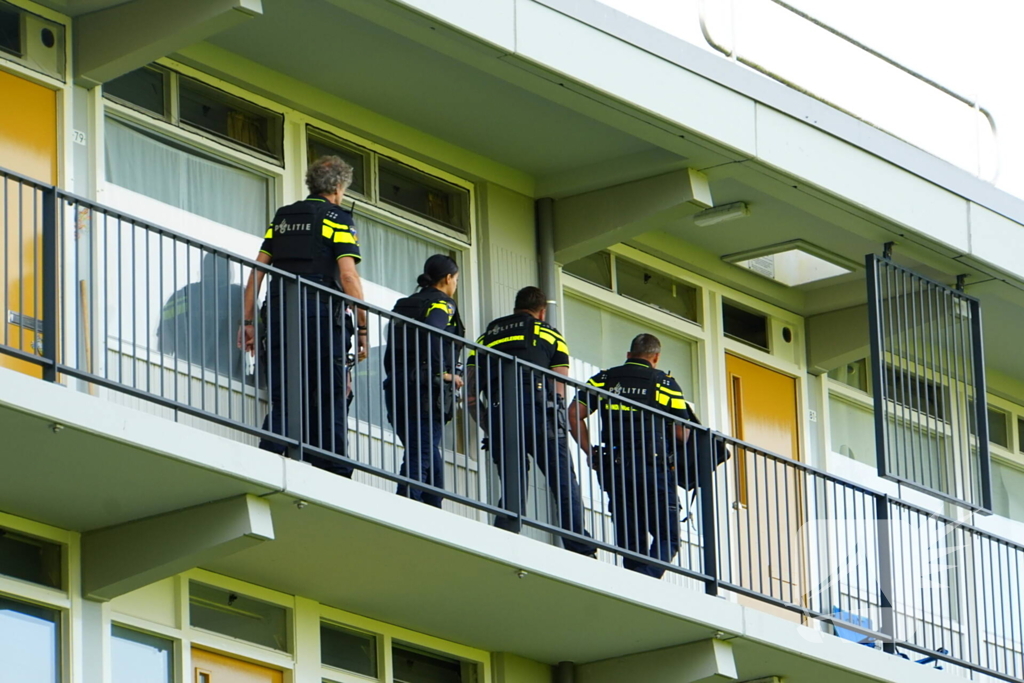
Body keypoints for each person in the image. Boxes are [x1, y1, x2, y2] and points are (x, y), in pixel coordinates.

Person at [239, 156, 367, 476]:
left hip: (281, 312)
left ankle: (270, 461)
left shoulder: (284, 217)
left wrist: (249, 322)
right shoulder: (337, 218)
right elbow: (348, 277)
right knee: (331, 393)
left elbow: (258, 271)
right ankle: (332, 469)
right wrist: (364, 328)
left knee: (284, 392)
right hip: (323, 315)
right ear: (338, 187)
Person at [466, 286, 595, 556]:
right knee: (563, 483)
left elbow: (469, 391)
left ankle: (504, 538)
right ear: (542, 311)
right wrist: (559, 423)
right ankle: (580, 547)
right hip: (542, 416)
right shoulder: (550, 334)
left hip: (502, 413)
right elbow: (559, 386)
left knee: (513, 483)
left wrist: (489, 425)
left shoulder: (487, 336)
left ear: (516, 307)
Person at [566, 333, 694, 578]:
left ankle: (635, 580)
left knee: (631, 539)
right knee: (669, 536)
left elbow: (573, 414)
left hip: (615, 468)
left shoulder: (604, 379)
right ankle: (646, 581)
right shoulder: (664, 383)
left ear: (628, 355)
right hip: (652, 468)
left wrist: (589, 449)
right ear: (655, 358)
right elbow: (682, 434)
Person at [383, 254, 465, 507]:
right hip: (426, 390)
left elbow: (391, 349)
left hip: (398, 386)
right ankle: (407, 505)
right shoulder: (443, 304)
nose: (456, 285)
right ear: (448, 278)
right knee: (421, 453)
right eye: (456, 279)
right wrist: (442, 374)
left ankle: (433, 506)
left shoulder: (405, 303)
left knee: (427, 451)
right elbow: (432, 331)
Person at [157, 251, 244, 381]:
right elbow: (260, 342)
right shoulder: (241, 298)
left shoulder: (182, 297)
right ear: (229, 272)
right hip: (233, 385)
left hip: (186, 378)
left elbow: (164, 346)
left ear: (203, 270)